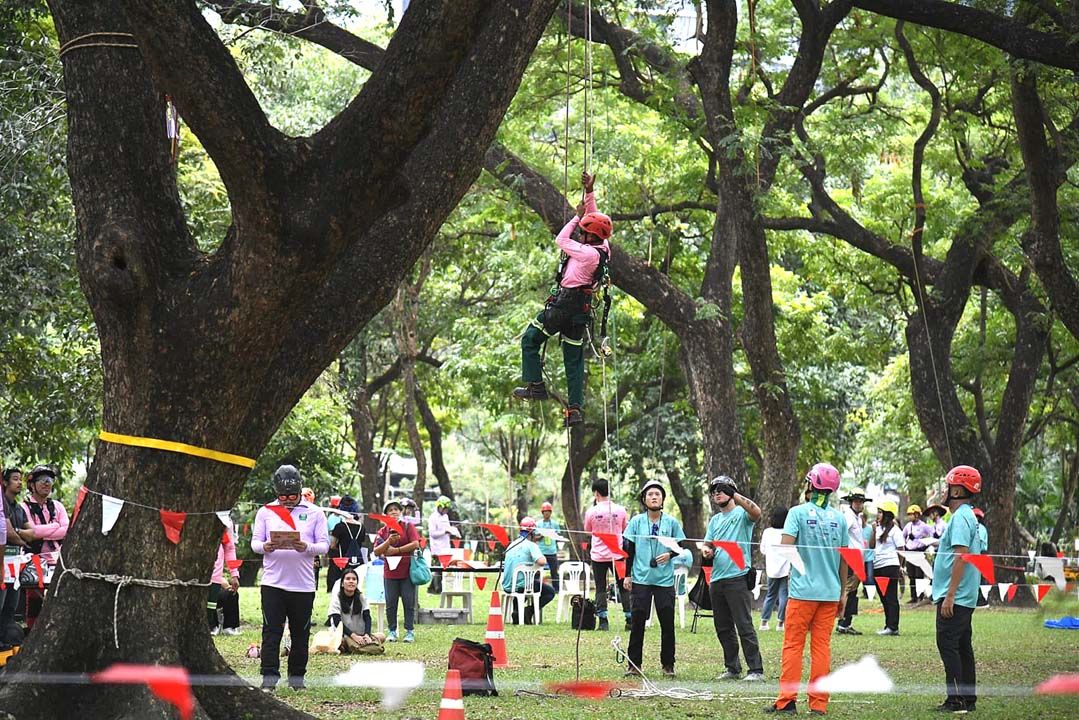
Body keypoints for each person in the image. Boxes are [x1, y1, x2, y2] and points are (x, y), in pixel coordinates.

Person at [512, 171, 612, 427]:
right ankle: (575, 410)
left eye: (584, 231)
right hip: (581, 309)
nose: (581, 233)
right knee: (574, 359)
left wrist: (577, 216)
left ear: (590, 235)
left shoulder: (586, 254)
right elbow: (595, 219)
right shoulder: (603, 248)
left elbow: (561, 239)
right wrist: (589, 193)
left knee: (530, 338)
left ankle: (536, 386)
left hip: (564, 304)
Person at [766, 462, 848, 716]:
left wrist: (800, 566)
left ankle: (786, 701)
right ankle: (818, 705)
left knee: (793, 645)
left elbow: (786, 547)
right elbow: (844, 559)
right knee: (821, 647)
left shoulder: (798, 513)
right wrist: (843, 592)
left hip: (802, 593)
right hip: (830, 593)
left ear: (812, 485)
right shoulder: (840, 518)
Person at [251, 464, 330, 691]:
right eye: (282, 496)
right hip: (273, 583)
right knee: (271, 631)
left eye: (292, 495)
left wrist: (306, 547)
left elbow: (324, 546)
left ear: (300, 490)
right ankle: (268, 678)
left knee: (300, 633)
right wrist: (266, 546)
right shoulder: (266, 511)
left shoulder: (315, 512)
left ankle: (297, 678)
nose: (287, 500)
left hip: (303, 585)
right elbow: (255, 543)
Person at [932, 465, 984, 714]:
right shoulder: (965, 515)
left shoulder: (962, 517)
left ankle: (955, 701)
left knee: (948, 643)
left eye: (947, 485)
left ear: (956, 489)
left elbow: (961, 557)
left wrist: (949, 595)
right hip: (963, 594)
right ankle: (968, 699)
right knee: (962, 645)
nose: (944, 490)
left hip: (957, 595)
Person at [702, 475, 764, 682]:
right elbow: (707, 544)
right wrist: (706, 550)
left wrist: (733, 493)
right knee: (723, 627)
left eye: (721, 489)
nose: (717, 492)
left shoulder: (741, 514)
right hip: (717, 579)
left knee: (744, 625)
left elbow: (757, 512)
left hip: (738, 577)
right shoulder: (715, 520)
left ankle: (755, 670)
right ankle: (732, 668)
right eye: (714, 490)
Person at [622, 480, 687, 678]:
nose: (654, 497)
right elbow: (629, 550)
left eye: (657, 494)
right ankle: (634, 665)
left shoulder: (671, 523)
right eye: (650, 494)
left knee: (667, 623)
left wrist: (670, 555)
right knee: (638, 623)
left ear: (663, 499)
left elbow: (681, 545)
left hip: (664, 581)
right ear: (644, 499)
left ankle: (668, 665)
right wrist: (627, 575)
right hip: (641, 579)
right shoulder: (636, 522)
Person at [20, 465, 69, 629]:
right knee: (33, 598)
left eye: (49, 480)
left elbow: (66, 530)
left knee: (60, 596)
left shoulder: (57, 506)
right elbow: (30, 532)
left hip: (57, 559)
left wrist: (39, 532)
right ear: (32, 484)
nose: (46, 484)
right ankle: (31, 630)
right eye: (42, 480)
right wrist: (54, 526)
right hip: (33, 560)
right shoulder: (23, 507)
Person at [583, 477, 630, 631]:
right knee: (624, 586)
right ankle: (630, 620)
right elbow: (624, 529)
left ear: (596, 493)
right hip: (618, 554)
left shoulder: (591, 511)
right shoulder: (621, 510)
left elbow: (587, 530)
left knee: (600, 588)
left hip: (598, 555)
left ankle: (603, 621)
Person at [373, 500, 421, 643]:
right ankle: (392, 631)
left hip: (407, 571)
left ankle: (409, 631)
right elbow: (376, 551)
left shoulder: (408, 526)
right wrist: (388, 541)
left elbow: (415, 543)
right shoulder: (383, 532)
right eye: (390, 510)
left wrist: (398, 550)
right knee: (391, 603)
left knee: (408, 601)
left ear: (401, 512)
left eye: (396, 509)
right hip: (390, 572)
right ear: (386, 514)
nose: (393, 512)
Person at [1, 468, 34, 647]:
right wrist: (22, 539)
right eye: (15, 479)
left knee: (11, 607)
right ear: (5, 482)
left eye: (20, 479)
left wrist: (18, 533)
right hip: (3, 562)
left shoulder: (19, 508)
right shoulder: (2, 503)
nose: (19, 482)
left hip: (14, 566)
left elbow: (33, 532)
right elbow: (8, 534)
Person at [501, 517, 555, 623]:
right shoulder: (531, 545)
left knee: (524, 585)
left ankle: (517, 611)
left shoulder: (511, 545)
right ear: (532, 532)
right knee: (549, 592)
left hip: (508, 586)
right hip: (522, 585)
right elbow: (542, 561)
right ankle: (529, 611)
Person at [836, 487, 870, 636]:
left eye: (861, 501)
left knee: (853, 591)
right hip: (851, 557)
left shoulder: (857, 517)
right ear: (851, 502)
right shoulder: (848, 517)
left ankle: (846, 622)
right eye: (856, 501)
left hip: (857, 557)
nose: (859, 504)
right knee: (849, 590)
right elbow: (841, 533)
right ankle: (843, 622)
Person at [329, 568, 384, 654]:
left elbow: (367, 617)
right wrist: (353, 636)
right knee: (341, 641)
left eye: (354, 579)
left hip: (360, 634)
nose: (351, 581)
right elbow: (337, 621)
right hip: (344, 634)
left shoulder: (361, 597)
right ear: (342, 583)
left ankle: (352, 646)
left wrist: (367, 635)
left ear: (357, 583)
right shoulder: (336, 598)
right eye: (348, 579)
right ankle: (349, 645)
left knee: (382, 636)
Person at [870, 500, 904, 636]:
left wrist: (900, 566)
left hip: (890, 566)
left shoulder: (895, 530)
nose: (878, 515)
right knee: (883, 597)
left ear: (887, 514)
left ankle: (893, 627)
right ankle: (888, 625)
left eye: (880, 512)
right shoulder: (878, 529)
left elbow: (901, 549)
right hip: (877, 565)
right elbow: (871, 546)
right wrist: (873, 531)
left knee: (891, 597)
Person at [759, 507, 790, 632]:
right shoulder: (788, 532)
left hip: (771, 568)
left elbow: (763, 550)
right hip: (785, 567)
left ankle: (764, 622)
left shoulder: (767, 532)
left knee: (770, 595)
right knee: (784, 595)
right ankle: (780, 624)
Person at [209, 530, 240, 635]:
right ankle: (211, 625)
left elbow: (230, 548)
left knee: (231, 593)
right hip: (196, 579)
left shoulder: (225, 520)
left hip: (216, 578)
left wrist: (234, 574)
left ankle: (228, 627)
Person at [902, 504, 935, 604]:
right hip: (910, 552)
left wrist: (924, 543)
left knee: (918, 575)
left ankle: (920, 595)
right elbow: (902, 537)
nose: (910, 516)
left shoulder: (924, 526)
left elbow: (932, 534)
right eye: (909, 515)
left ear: (917, 515)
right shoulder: (908, 526)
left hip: (919, 551)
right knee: (911, 575)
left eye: (911, 514)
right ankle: (913, 597)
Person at [327, 511, 366, 594]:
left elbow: (332, 545)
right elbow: (361, 542)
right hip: (357, 559)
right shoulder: (361, 527)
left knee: (341, 581)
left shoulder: (339, 526)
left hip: (342, 560)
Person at [427, 495, 459, 595]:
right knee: (438, 569)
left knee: (442, 568)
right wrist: (444, 531)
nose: (446, 511)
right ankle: (437, 589)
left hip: (445, 546)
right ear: (440, 507)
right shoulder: (433, 517)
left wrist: (451, 531)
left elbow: (447, 528)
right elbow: (432, 534)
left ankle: (432, 588)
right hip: (437, 547)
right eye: (445, 508)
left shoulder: (445, 516)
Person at [536, 501, 562, 591]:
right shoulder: (538, 524)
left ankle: (557, 589)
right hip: (541, 551)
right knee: (538, 571)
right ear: (542, 513)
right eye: (545, 511)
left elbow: (559, 536)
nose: (546, 513)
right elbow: (535, 537)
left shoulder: (555, 524)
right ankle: (537, 587)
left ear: (550, 512)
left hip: (552, 551)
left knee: (554, 571)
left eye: (548, 511)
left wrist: (553, 534)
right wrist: (543, 534)